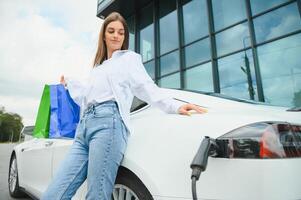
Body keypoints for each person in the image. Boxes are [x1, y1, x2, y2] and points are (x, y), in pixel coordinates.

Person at [41, 12, 207, 200]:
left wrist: (174, 106)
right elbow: (86, 94)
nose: (116, 36)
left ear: (125, 37)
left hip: (108, 126)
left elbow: (146, 87)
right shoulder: (98, 68)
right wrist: (69, 83)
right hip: (84, 129)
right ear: (103, 35)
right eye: (111, 31)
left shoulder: (128, 59)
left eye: (121, 33)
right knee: (55, 192)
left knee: (96, 195)